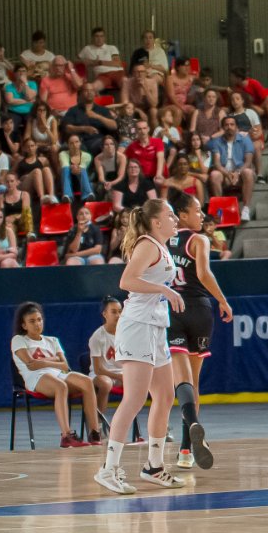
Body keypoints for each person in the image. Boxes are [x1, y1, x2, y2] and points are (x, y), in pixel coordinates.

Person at [97, 198, 188, 494]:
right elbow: (127, 280)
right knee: (134, 399)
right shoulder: (147, 244)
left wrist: (164, 293)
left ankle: (154, 466)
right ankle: (108, 469)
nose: (175, 219)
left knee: (164, 395)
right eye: (171, 215)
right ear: (156, 222)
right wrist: (164, 289)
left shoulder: (161, 246)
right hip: (137, 326)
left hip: (155, 326)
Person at [166, 189, 232, 472]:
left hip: (172, 308)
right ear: (182, 215)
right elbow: (204, 274)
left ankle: (188, 432)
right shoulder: (200, 239)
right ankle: (185, 449)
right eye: (196, 210)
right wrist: (223, 300)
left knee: (180, 383)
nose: (202, 214)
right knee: (194, 383)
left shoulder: (164, 241)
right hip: (199, 309)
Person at [11, 302, 103, 449]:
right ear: (24, 325)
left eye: (39, 320)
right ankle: (67, 435)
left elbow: (65, 366)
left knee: (86, 381)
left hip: (58, 373)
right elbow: (31, 364)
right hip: (36, 377)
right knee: (61, 386)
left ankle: (94, 432)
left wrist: (47, 362)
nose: (37, 324)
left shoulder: (52, 340)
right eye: (32, 321)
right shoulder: (18, 340)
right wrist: (54, 359)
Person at [88, 296, 127, 414]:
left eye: (120, 311)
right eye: (114, 312)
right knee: (106, 384)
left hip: (121, 374)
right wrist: (119, 377)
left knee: (147, 382)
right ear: (105, 314)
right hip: (101, 375)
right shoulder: (97, 336)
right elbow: (98, 369)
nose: (118, 315)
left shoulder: (126, 334)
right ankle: (100, 425)